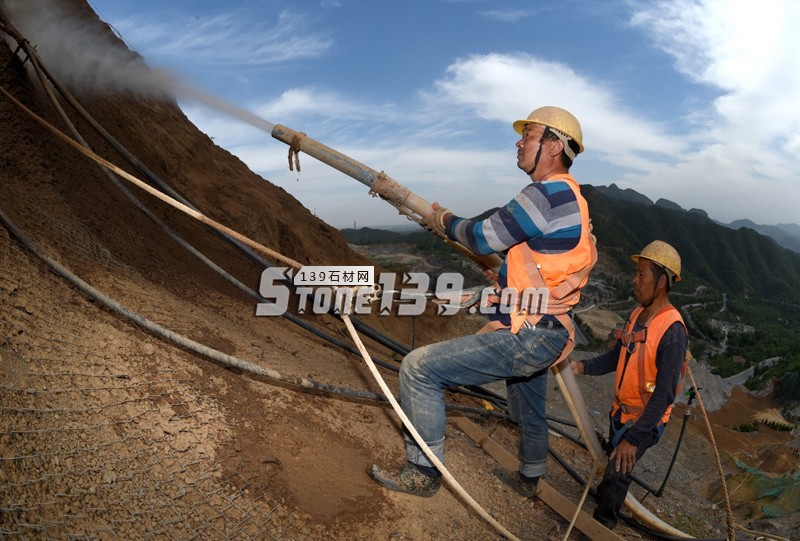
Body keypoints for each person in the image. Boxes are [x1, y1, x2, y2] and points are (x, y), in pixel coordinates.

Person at [369, 106, 597, 498]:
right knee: (527, 402)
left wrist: (443, 220)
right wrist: (506, 278)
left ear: (554, 145)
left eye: (529, 135)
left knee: (419, 369)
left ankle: (422, 473)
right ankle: (529, 479)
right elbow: (544, 263)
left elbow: (480, 237)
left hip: (531, 332)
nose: (519, 141)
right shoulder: (573, 198)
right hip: (549, 329)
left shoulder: (548, 194)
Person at [570, 240, 689, 529]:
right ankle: (606, 497)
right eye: (635, 274)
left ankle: (602, 525)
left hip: (645, 420)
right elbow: (617, 356)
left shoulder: (672, 331)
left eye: (641, 275)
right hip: (621, 411)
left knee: (618, 469)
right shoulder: (637, 315)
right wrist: (582, 367)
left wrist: (633, 438)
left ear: (661, 282)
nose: (633, 281)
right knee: (614, 462)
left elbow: (663, 397)